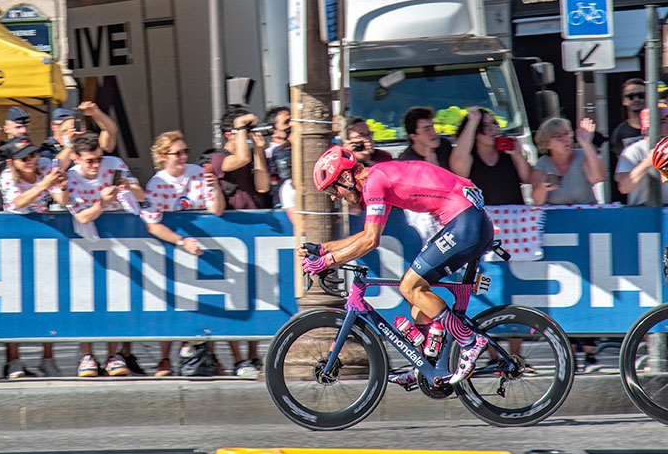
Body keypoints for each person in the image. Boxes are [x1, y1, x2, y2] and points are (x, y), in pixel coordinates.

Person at [304, 147, 494, 389]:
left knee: (410, 286)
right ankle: (426, 367)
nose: (333, 196)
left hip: (465, 222)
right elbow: (366, 235)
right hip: (467, 219)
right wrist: (323, 249)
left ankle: (469, 341)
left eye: (333, 189)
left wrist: (327, 262)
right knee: (417, 302)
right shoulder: (377, 177)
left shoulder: (374, 181)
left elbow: (371, 241)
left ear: (346, 177)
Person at [51, 131, 146, 377]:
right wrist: (103, 203)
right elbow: (81, 216)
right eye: (89, 161)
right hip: (85, 244)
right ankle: (87, 355)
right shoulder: (69, 178)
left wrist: (130, 186)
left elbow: (141, 196)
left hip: (119, 241)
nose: (96, 165)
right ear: (76, 158)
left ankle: (113, 354)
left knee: (118, 297)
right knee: (86, 298)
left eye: (99, 159)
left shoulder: (113, 164)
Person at [141, 130, 224, 377]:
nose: (183, 157)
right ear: (163, 156)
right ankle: (164, 358)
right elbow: (152, 224)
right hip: (172, 246)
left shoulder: (199, 173)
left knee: (208, 303)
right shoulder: (156, 184)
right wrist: (181, 241)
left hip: (200, 247)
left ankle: (211, 357)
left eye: (185, 151)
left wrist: (216, 188)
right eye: (177, 153)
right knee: (171, 304)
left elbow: (217, 211)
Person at [0, 137, 66, 379]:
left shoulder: (45, 166)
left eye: (32, 155)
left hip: (45, 240)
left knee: (48, 300)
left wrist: (62, 188)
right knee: (14, 303)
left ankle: (47, 358)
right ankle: (14, 360)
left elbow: (61, 196)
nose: (30, 161)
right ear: (12, 162)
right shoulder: (7, 176)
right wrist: (43, 184)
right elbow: (18, 201)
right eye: (24, 158)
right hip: (13, 242)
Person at [209, 105, 270, 377]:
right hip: (228, 234)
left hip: (254, 232)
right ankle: (236, 358)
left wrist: (259, 150)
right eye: (242, 131)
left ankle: (254, 355)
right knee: (234, 299)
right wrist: (243, 128)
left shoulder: (250, 153)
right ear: (229, 134)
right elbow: (239, 161)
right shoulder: (217, 158)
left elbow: (263, 186)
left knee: (255, 297)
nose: (248, 136)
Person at [450, 106, 544, 204]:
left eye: (494, 123)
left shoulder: (508, 152)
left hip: (513, 216)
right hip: (482, 217)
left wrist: (518, 155)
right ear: (475, 132)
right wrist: (472, 121)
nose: (492, 129)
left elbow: (527, 178)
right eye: (485, 126)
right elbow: (458, 165)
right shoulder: (469, 157)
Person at [532, 116, 605, 205]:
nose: (566, 140)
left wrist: (587, 144)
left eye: (567, 134)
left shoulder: (583, 155)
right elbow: (537, 201)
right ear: (547, 144)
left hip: (586, 213)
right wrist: (543, 187)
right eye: (558, 137)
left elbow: (598, 178)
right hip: (558, 216)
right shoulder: (543, 163)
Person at [616, 105, 668, 206]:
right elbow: (623, 187)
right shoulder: (633, 151)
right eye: (663, 122)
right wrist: (647, 163)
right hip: (642, 212)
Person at [39, 101, 118, 164]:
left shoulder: (90, 143)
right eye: (67, 130)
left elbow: (109, 131)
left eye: (77, 128)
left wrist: (96, 113)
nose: (75, 132)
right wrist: (69, 143)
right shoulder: (47, 149)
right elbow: (59, 166)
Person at [610, 76, 647, 171]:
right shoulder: (619, 132)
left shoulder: (661, 126)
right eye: (631, 96)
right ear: (624, 101)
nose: (636, 99)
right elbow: (622, 164)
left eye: (641, 95)